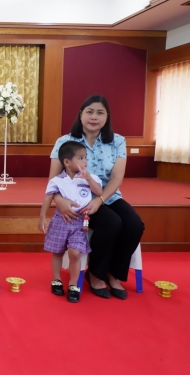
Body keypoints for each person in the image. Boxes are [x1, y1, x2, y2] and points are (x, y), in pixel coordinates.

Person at [49, 95, 145, 300]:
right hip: (78, 200)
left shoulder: (117, 141)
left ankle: (114, 274)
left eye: (100, 113)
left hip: (108, 196)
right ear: (81, 114)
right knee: (111, 223)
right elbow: (53, 179)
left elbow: (117, 178)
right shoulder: (64, 142)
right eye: (90, 112)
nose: (94, 117)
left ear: (107, 116)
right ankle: (95, 274)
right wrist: (59, 200)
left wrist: (99, 200)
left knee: (134, 224)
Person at [38, 141, 103, 303]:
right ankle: (56, 279)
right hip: (61, 220)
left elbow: (99, 192)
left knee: (75, 253)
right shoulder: (57, 180)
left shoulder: (89, 178)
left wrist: (89, 179)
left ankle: (73, 284)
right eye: (80, 158)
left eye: (85, 157)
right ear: (67, 162)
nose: (85, 161)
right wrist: (42, 217)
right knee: (57, 252)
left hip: (80, 222)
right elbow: (48, 198)